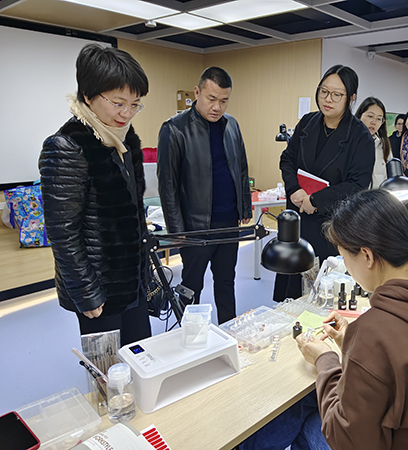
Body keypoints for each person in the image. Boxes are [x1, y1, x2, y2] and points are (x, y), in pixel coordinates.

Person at [240, 189, 408, 450]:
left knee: (305, 416)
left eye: (344, 258)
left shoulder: (376, 329)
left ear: (367, 256)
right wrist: (352, 345)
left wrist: (325, 359)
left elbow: (348, 439)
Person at [39, 44, 151, 346]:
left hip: (132, 279)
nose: (126, 114)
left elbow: (132, 211)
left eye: (135, 104)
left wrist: (145, 273)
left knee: (142, 357)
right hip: (98, 286)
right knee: (108, 375)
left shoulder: (123, 140)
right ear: (88, 95)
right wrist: (86, 292)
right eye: (118, 103)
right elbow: (62, 234)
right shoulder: (65, 146)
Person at [157, 67, 252, 324]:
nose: (217, 107)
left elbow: (241, 169)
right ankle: (189, 339)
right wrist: (176, 230)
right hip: (195, 226)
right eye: (211, 99)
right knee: (191, 286)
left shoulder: (232, 126)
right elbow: (168, 185)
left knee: (226, 282)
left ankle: (230, 332)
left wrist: (245, 208)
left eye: (224, 100)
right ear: (197, 93)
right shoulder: (174, 129)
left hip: (228, 222)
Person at [274, 65, 375, 301]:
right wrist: (294, 190)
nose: (327, 99)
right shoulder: (308, 122)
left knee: (320, 294)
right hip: (297, 217)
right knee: (289, 293)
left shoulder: (360, 136)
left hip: (331, 225)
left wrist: (316, 201)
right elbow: (287, 159)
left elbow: (357, 184)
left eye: (336, 95)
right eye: (323, 92)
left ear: (351, 98)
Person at [355, 97, 392, 188]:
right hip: (353, 199)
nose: (374, 122)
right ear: (360, 116)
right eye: (370, 116)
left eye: (379, 119)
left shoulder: (384, 146)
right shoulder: (348, 143)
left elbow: (389, 178)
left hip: (377, 199)